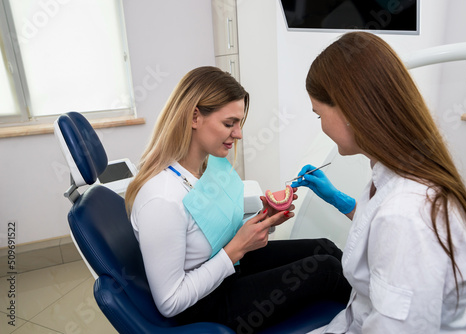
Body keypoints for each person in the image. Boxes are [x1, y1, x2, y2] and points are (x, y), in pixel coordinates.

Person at [291, 32, 466, 333]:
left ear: (349, 109)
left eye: (319, 114)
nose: (321, 126)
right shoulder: (394, 174)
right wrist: (339, 200)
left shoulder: (407, 215)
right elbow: (380, 227)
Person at [124, 66, 351, 333]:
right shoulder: (161, 199)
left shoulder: (203, 167)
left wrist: (262, 221)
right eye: (229, 124)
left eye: (239, 123)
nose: (239, 134)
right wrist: (236, 249)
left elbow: (210, 224)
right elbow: (170, 302)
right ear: (195, 117)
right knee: (326, 270)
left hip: (227, 267)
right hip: (204, 306)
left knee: (324, 248)